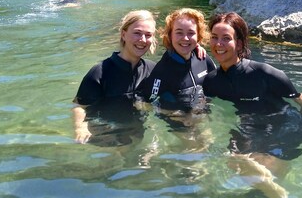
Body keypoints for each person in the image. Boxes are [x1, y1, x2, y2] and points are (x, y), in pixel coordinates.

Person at [203, 12, 302, 198]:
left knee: (259, 169)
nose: (219, 44)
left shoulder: (266, 73)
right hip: (251, 126)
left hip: (284, 126)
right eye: (214, 37)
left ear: (240, 43)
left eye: (226, 38)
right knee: (235, 162)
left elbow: (301, 102)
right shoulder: (211, 82)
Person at [72, 9, 157, 144]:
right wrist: (80, 128)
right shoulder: (100, 72)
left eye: (148, 35)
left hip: (137, 130)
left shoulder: (153, 70)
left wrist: (196, 49)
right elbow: (79, 105)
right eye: (137, 33)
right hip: (107, 133)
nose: (143, 40)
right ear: (123, 34)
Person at [143, 8, 216, 111]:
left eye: (191, 33)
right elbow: (146, 103)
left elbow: (219, 84)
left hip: (206, 120)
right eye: (179, 32)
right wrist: (177, 116)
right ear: (170, 35)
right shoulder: (162, 71)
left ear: (198, 36)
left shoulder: (203, 58)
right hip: (179, 125)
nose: (185, 38)